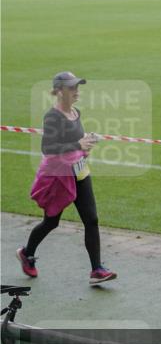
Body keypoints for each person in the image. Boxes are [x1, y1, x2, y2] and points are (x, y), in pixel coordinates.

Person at [16, 72, 117, 285]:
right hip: (59, 175)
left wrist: (86, 143)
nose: (76, 91)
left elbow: (74, 141)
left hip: (79, 172)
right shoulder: (52, 117)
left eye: (77, 87)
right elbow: (48, 148)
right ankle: (27, 253)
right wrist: (77, 145)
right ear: (59, 91)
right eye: (72, 88)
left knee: (92, 219)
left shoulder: (76, 112)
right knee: (51, 221)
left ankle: (97, 269)